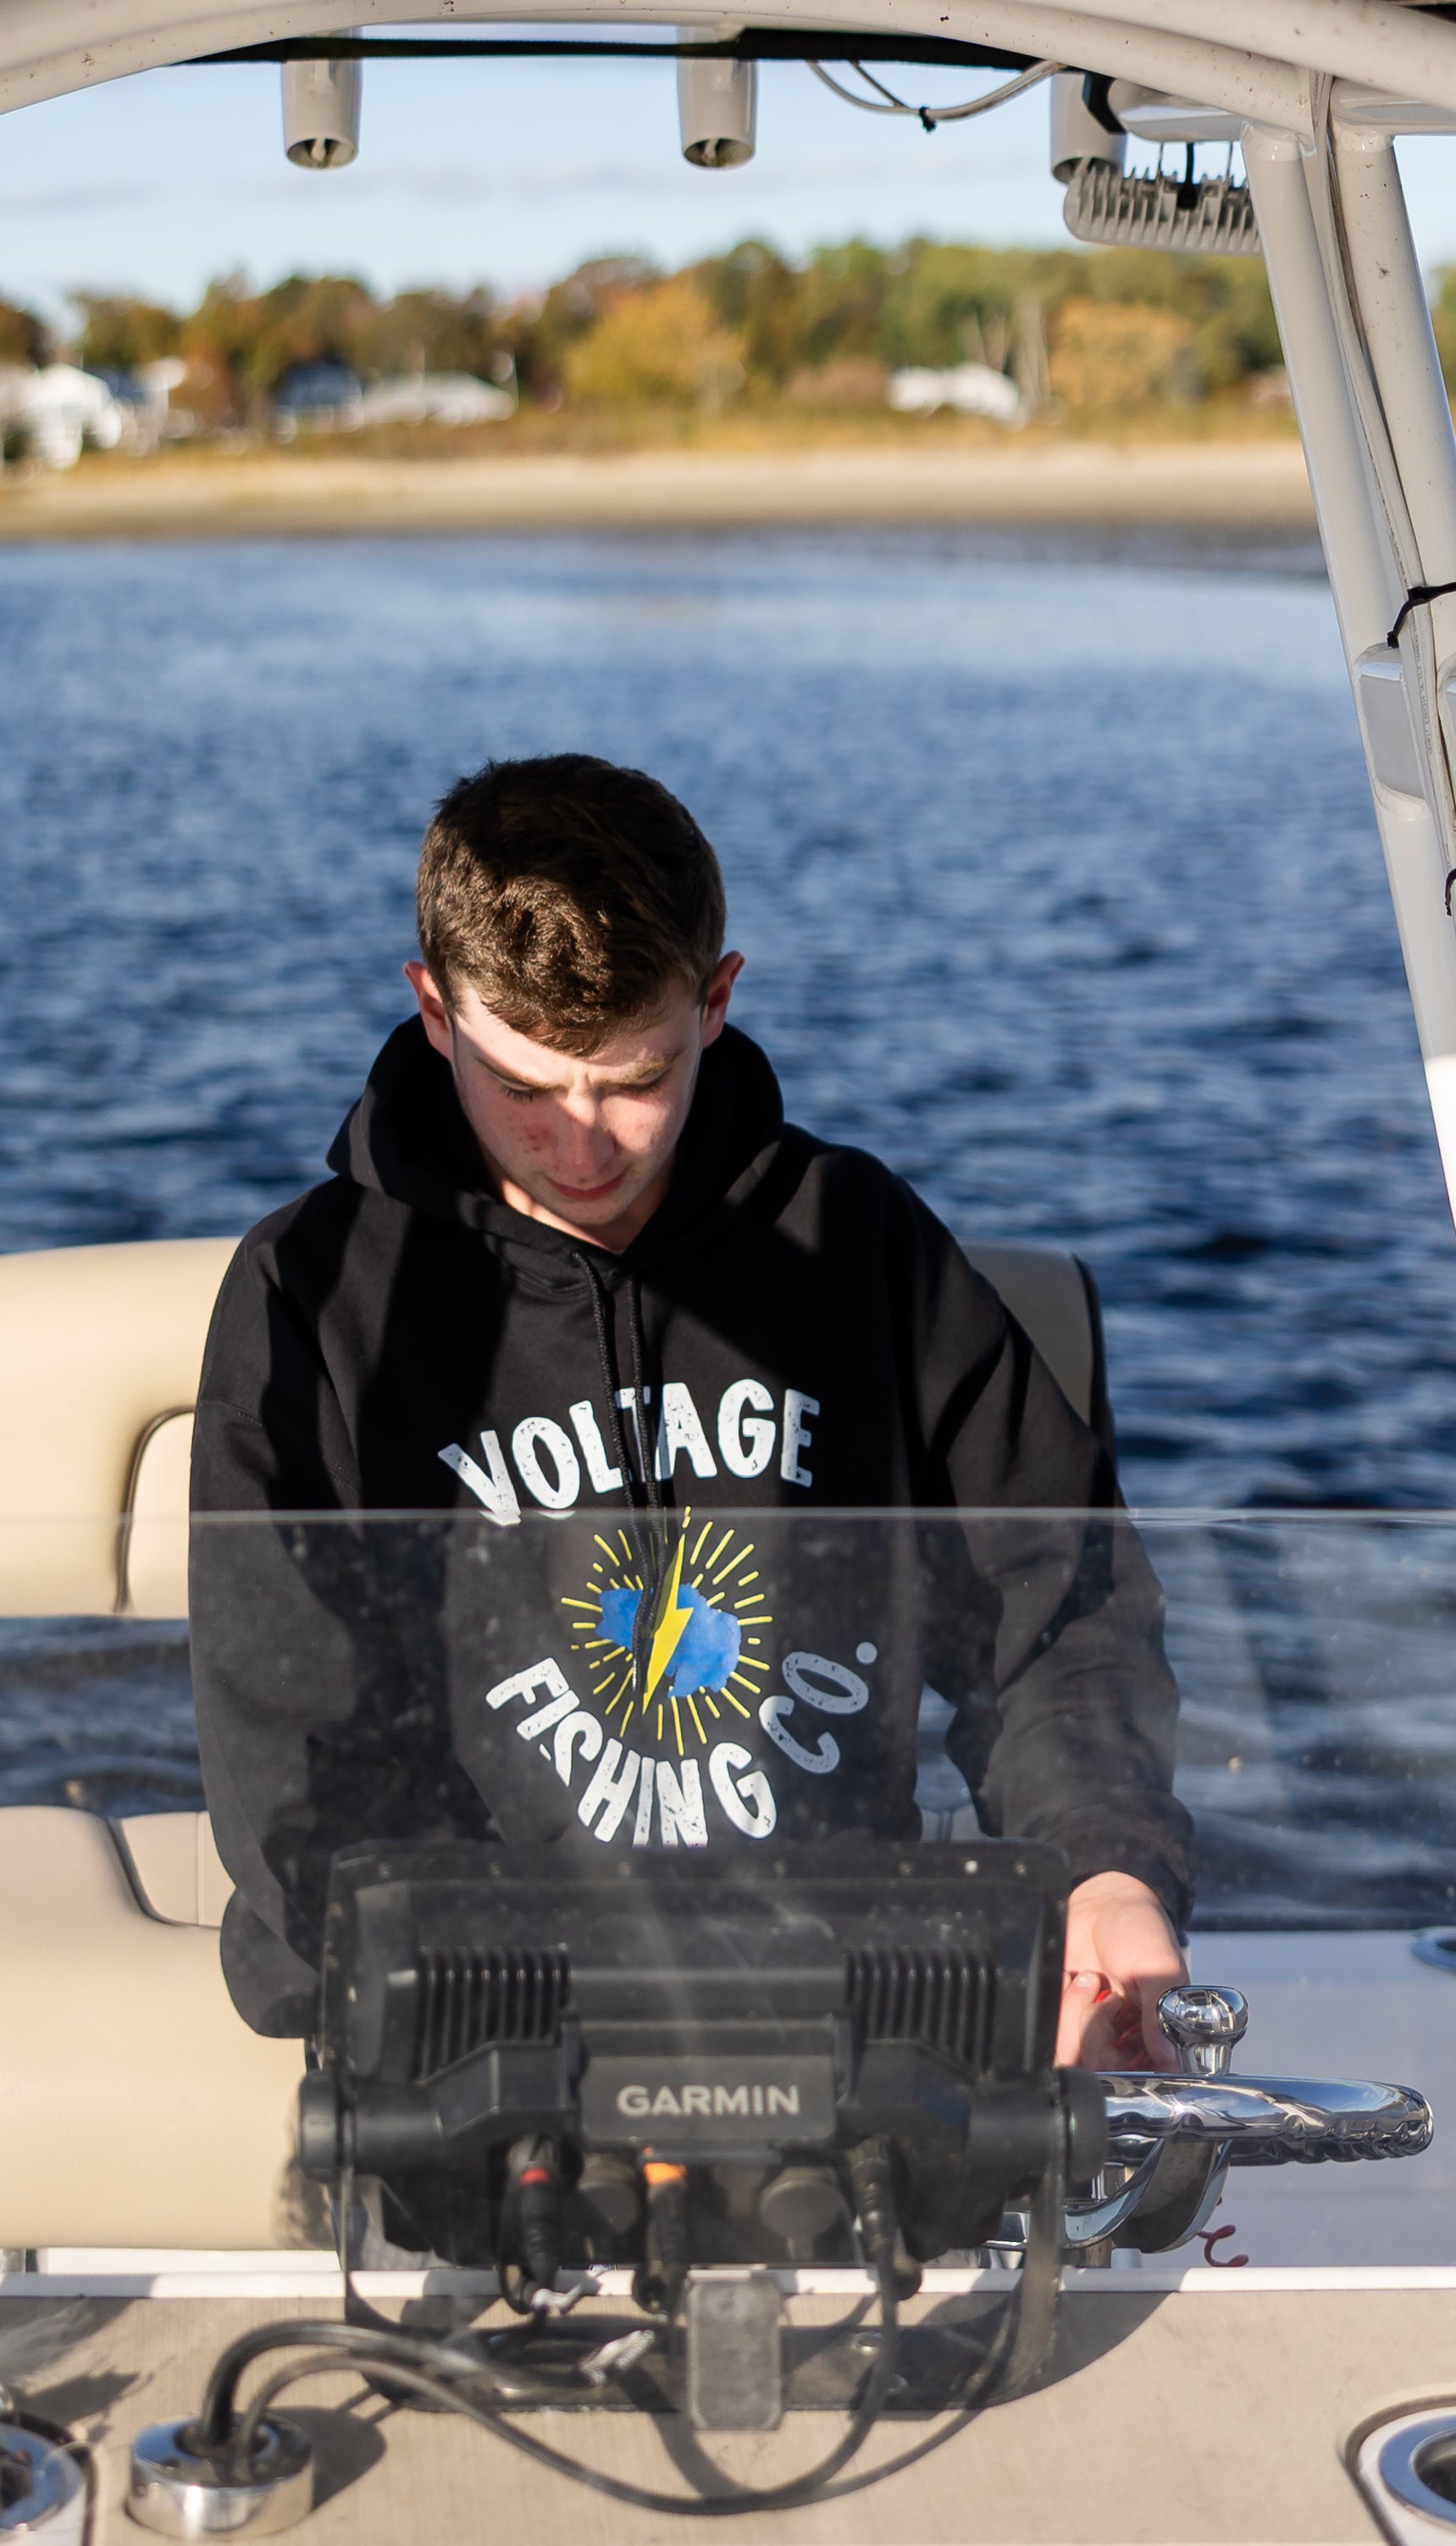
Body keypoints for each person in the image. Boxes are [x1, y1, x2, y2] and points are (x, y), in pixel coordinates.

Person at [189, 752, 1193, 2059]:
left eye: (635, 1076)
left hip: (844, 1998)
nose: (583, 1141)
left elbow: (1052, 1607)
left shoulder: (859, 1244)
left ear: (716, 1001)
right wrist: (412, 1986)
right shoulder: (312, 1295)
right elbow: (289, 1719)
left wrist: (1104, 1868)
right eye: (526, 1087)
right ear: (435, 1012)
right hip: (474, 2022)